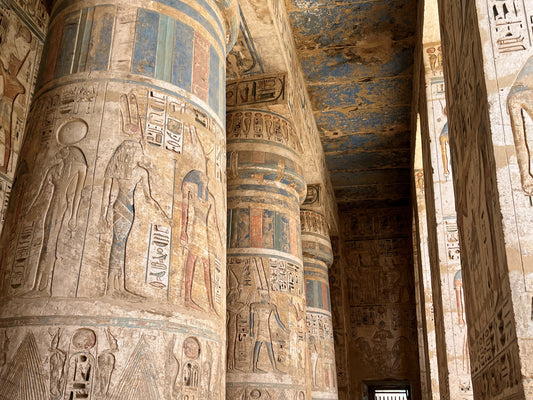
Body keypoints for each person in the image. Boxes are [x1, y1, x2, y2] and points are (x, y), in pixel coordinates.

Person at [249, 289, 287, 373]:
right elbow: (251, 319)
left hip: (266, 328)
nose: (268, 298)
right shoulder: (254, 305)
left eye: (268, 296)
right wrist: (251, 331)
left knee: (269, 347)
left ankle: (274, 368)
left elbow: (278, 320)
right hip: (260, 328)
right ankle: (254, 367)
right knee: (257, 346)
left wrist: (285, 329)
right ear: (262, 296)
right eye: (266, 296)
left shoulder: (272, 307)